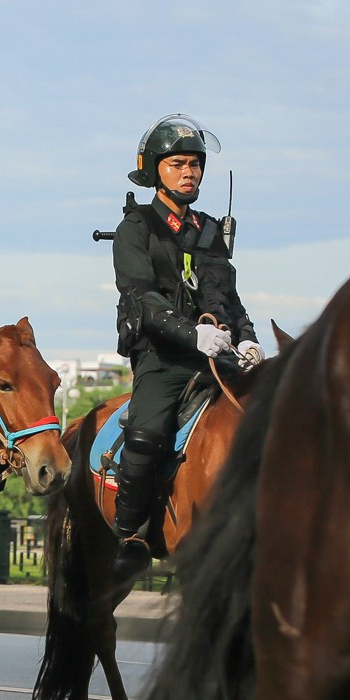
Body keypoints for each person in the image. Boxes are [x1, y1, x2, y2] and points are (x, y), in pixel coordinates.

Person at [108, 115, 260, 585]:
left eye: (194, 164)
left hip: (218, 355)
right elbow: (141, 297)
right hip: (163, 357)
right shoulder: (137, 226)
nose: (189, 172)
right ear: (155, 171)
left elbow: (226, 296)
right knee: (148, 431)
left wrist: (247, 333)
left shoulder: (211, 231)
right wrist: (191, 333)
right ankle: (129, 536)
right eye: (177, 164)